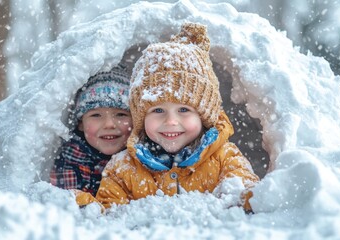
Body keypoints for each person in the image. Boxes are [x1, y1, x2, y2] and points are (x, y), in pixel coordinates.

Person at [92, 22, 259, 212]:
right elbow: (104, 215)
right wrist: (82, 205)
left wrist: (250, 197)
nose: (171, 121)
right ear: (140, 118)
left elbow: (245, 191)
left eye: (183, 110)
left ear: (204, 116)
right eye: (158, 110)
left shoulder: (225, 158)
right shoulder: (123, 167)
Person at [50, 64, 132, 204]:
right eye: (96, 115)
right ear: (80, 123)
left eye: (120, 114)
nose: (109, 124)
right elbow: (72, 209)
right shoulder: (71, 160)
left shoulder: (144, 156)